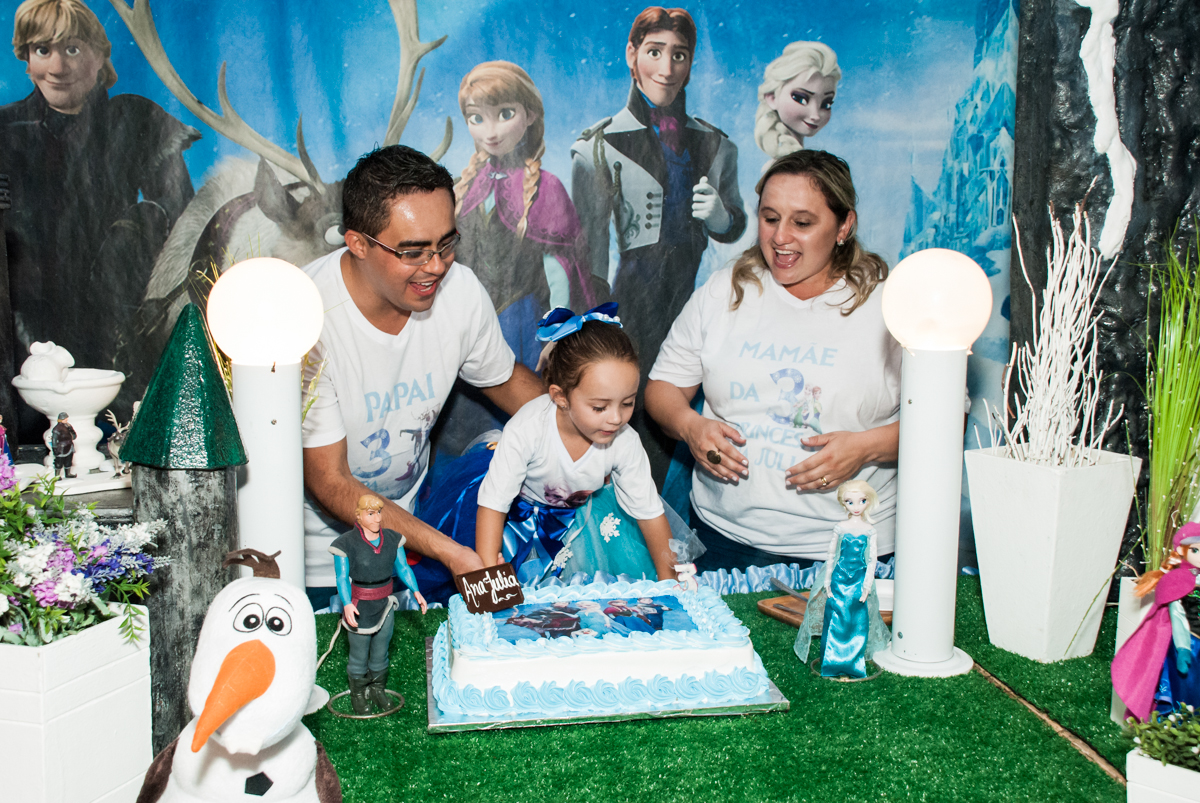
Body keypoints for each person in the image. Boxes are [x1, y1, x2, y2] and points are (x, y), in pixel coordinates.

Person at [301, 145, 545, 612]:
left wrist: (580, 427)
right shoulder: (308, 320)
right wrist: (450, 552)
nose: (436, 266)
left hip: (415, 548)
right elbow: (330, 481)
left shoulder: (461, 292)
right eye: (413, 251)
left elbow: (508, 382)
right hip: (321, 565)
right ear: (357, 243)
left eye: (446, 244)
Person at [645, 149, 901, 572]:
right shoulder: (725, 288)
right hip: (723, 541)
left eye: (802, 222)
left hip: (850, 550)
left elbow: (943, 422)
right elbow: (663, 389)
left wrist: (863, 448)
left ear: (844, 226)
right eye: (769, 218)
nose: (780, 237)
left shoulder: (890, 306)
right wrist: (690, 426)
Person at [0, 0, 199, 440]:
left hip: (119, 324)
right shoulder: (5, 130)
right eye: (42, 50)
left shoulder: (133, 119)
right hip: (27, 330)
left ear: (99, 55)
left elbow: (184, 222)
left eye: (71, 50)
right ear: (26, 59)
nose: (56, 66)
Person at [571, 6, 745, 481]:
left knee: (691, 402)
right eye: (654, 52)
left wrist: (720, 215)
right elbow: (587, 252)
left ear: (691, 64)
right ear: (632, 55)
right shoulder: (598, 147)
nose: (666, 68)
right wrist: (591, 324)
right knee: (627, 407)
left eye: (679, 55)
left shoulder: (715, 144)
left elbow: (735, 224)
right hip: (631, 300)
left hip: (691, 298)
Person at [436, 61, 607, 459]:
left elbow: (559, 269)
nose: (490, 131)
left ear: (529, 115)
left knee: (519, 431)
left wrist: (558, 334)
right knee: (464, 431)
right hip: (465, 326)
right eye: (477, 119)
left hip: (520, 328)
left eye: (505, 115)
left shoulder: (546, 188)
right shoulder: (467, 187)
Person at [468, 304, 697, 585]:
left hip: (578, 522)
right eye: (600, 407)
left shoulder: (625, 442)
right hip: (512, 520)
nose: (616, 418)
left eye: (627, 403)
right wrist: (489, 575)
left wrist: (669, 584)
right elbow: (493, 504)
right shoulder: (527, 430)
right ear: (560, 396)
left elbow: (650, 515)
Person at [329, 493, 426, 714]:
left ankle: (377, 690)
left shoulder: (393, 539)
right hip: (359, 606)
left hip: (385, 603)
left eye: (379, 512)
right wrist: (346, 603)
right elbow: (342, 578)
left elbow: (403, 568)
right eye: (370, 513)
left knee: (381, 651)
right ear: (359, 515)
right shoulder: (345, 543)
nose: (377, 518)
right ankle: (358, 694)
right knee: (359, 654)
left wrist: (416, 591)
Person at [793, 480, 891, 678]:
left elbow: (872, 560)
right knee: (835, 617)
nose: (856, 507)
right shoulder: (840, 527)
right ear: (843, 503)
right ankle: (831, 662)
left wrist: (867, 585)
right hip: (839, 579)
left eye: (861, 501)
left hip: (858, 580)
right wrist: (827, 581)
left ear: (868, 501)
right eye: (850, 502)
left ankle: (854, 664)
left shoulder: (869, 530)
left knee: (857, 620)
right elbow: (831, 556)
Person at [1112, 524, 1200, 721]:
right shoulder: (1178, 580)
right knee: (1185, 688)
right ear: (1181, 551)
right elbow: (1177, 617)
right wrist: (1183, 647)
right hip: (1189, 644)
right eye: (1195, 550)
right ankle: (1177, 725)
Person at [754, 41, 841, 161]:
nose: (815, 116)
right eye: (801, 99)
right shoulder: (785, 169)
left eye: (826, 104)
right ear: (772, 97)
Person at [51, 411, 75, 478]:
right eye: (65, 419)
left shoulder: (68, 426)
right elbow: (54, 439)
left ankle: (68, 473)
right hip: (61, 448)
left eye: (66, 418)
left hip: (69, 445)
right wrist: (54, 448)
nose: (66, 420)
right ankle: (57, 475)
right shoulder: (57, 428)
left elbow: (74, 436)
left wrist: (71, 431)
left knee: (68, 461)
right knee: (59, 462)